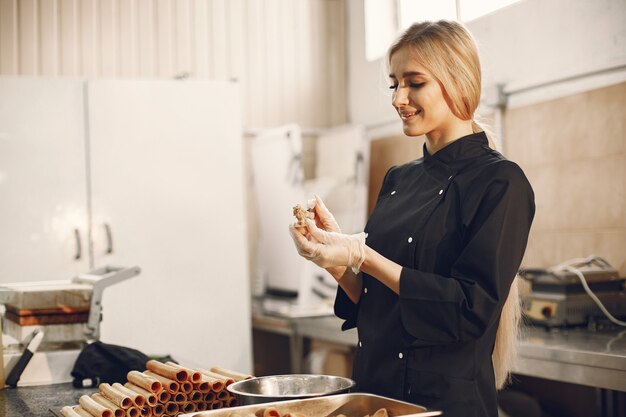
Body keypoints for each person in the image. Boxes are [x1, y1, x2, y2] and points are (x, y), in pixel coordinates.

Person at [289, 20, 535, 417]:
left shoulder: (500, 182)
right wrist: (335, 261)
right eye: (394, 84)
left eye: (414, 82)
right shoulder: (399, 179)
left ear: (457, 81)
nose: (398, 98)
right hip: (378, 396)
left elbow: (470, 309)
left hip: (443, 405)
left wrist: (362, 255)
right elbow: (378, 300)